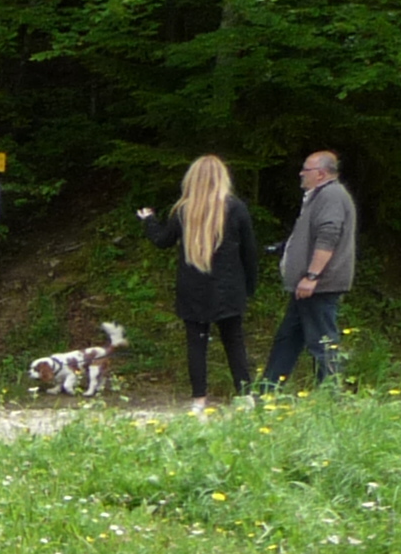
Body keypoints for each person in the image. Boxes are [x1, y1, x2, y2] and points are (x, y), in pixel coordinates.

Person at [136, 156, 266, 403]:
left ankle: (198, 401)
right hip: (229, 288)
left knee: (196, 344)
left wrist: (149, 221)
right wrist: (249, 287)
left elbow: (162, 240)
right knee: (234, 342)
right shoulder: (236, 207)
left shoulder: (184, 210)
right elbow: (249, 252)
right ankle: (247, 396)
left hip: (192, 289)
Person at [258, 149, 356, 392]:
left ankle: (331, 396)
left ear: (321, 174)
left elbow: (328, 236)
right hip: (307, 287)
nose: (301, 173)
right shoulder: (318, 196)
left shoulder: (331, 196)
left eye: (306, 169)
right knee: (288, 339)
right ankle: (268, 391)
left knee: (322, 342)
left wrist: (312, 276)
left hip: (319, 286)